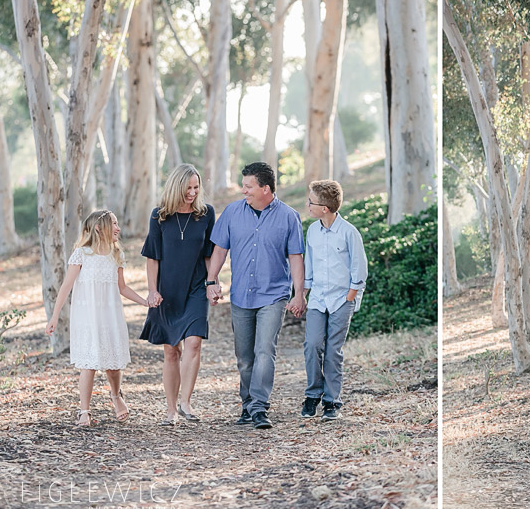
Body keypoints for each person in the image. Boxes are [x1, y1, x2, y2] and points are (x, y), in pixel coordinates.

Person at [207, 162, 306, 430]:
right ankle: (248, 404)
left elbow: (296, 257)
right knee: (244, 356)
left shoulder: (288, 216)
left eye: (248, 186)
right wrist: (211, 281)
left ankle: (259, 407)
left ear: (266, 188)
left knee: (265, 350)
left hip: (274, 295)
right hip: (241, 295)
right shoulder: (232, 213)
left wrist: (299, 294)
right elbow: (219, 250)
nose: (244, 191)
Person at [46, 210, 158, 426]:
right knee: (88, 364)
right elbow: (66, 287)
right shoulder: (82, 254)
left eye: (117, 224)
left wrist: (145, 302)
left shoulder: (116, 256)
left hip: (110, 316)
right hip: (87, 317)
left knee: (113, 364)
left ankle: (116, 396)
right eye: (113, 224)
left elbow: (122, 288)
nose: (118, 228)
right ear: (99, 228)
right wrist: (55, 316)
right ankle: (84, 411)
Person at [140, 164, 216, 426]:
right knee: (171, 350)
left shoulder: (206, 214)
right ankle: (171, 409)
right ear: (176, 187)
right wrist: (152, 290)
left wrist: (212, 282)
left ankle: (186, 402)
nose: (193, 193)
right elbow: (153, 257)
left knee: (194, 342)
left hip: (196, 287)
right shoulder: (159, 216)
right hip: (167, 291)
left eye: (196, 187)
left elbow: (209, 253)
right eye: (188, 188)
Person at [300, 180, 368, 421]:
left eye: (311, 202)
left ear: (325, 208)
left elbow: (359, 269)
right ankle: (313, 394)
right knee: (312, 344)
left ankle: (331, 401)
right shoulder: (312, 231)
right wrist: (302, 295)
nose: (308, 204)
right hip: (318, 299)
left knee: (333, 351)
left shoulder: (349, 232)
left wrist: (350, 297)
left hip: (342, 300)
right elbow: (308, 266)